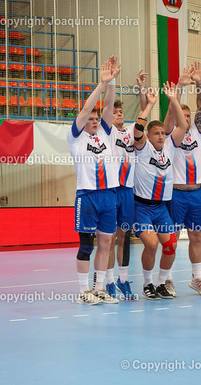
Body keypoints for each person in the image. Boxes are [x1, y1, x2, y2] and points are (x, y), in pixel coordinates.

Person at [67, 56, 121, 305]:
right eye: (91, 118)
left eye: (96, 119)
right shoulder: (76, 137)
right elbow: (86, 109)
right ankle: (82, 291)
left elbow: (108, 107)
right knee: (86, 244)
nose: (95, 120)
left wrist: (112, 84)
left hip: (108, 195)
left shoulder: (106, 134)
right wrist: (100, 84)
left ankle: (99, 288)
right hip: (87, 195)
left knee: (107, 242)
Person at [133, 82, 188, 299]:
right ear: (149, 135)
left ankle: (162, 283)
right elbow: (137, 128)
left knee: (171, 245)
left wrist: (174, 99)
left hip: (161, 208)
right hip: (141, 206)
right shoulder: (143, 147)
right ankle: (147, 283)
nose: (160, 137)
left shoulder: (169, 147)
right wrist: (149, 105)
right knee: (152, 243)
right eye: (155, 134)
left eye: (162, 134)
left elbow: (182, 126)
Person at [162, 62, 201, 297]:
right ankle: (168, 280)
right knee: (172, 238)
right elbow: (171, 114)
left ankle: (197, 278)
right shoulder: (171, 133)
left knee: (197, 236)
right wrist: (178, 89)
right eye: (184, 114)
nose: (187, 118)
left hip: (196, 193)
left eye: (189, 115)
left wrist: (200, 83)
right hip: (176, 193)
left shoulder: (198, 132)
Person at [101, 69, 148, 300]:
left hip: (128, 191)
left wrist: (140, 87)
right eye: (115, 112)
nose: (118, 114)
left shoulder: (130, 132)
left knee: (125, 236)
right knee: (108, 238)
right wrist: (112, 82)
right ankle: (107, 281)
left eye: (121, 112)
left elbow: (143, 112)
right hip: (111, 190)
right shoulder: (106, 133)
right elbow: (107, 108)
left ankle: (122, 279)